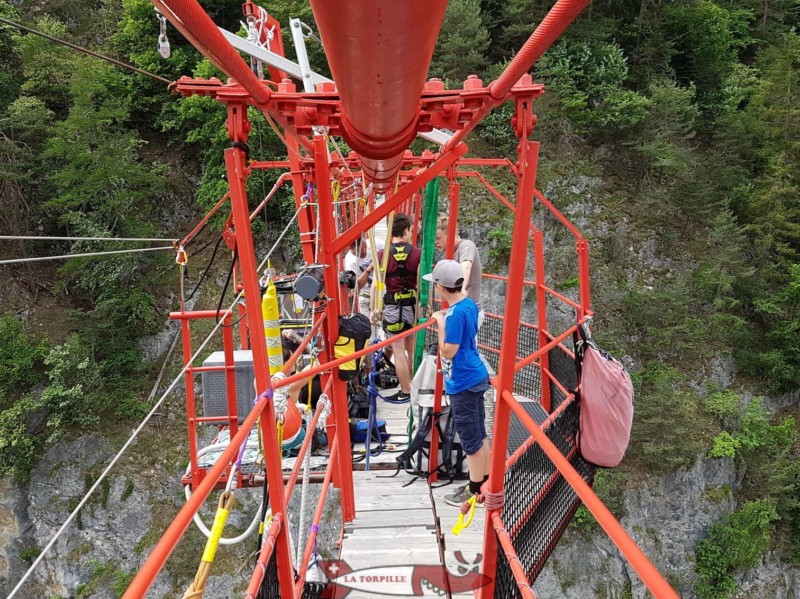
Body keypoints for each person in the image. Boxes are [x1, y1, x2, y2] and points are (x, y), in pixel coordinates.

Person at [426, 260, 490, 507]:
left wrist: (440, 323)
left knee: (470, 438)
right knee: (479, 432)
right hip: (475, 375)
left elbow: (448, 351)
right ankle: (485, 480)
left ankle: (474, 491)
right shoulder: (469, 304)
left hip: (463, 380)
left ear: (441, 287)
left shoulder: (453, 316)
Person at [374, 213, 421, 402]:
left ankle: (406, 390)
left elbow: (378, 284)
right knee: (411, 349)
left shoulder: (382, 255)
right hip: (411, 307)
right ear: (407, 230)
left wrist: (375, 309)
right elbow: (421, 282)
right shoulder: (417, 254)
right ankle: (414, 386)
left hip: (393, 307)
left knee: (399, 351)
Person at [435, 217, 484, 330]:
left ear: (450, 234)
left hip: (468, 310)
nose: (436, 242)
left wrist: (461, 288)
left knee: (462, 346)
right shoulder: (450, 252)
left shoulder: (466, 246)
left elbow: (465, 267)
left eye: (438, 238)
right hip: (460, 308)